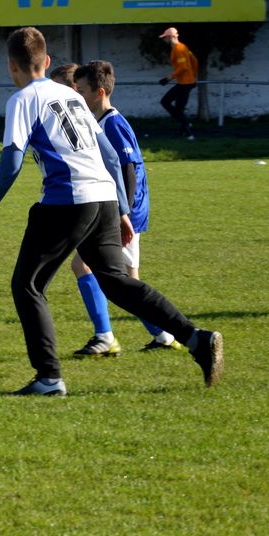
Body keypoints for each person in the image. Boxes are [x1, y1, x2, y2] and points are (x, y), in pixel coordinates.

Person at [0, 27, 222, 396]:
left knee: (28, 285)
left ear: (11, 66)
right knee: (117, 281)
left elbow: (10, 165)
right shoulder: (72, 97)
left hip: (68, 200)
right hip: (102, 197)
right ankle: (196, 338)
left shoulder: (22, 100)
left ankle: (49, 378)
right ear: (48, 61)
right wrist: (119, 210)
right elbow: (111, 156)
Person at [68, 60, 179, 356]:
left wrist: (123, 213)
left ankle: (110, 336)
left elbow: (128, 169)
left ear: (99, 92)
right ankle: (163, 334)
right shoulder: (101, 121)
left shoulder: (113, 123)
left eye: (81, 90)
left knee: (91, 268)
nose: (76, 95)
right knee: (126, 278)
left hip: (127, 212)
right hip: (120, 210)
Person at [157, 27, 199, 139]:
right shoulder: (183, 47)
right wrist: (194, 77)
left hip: (184, 84)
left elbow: (183, 67)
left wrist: (168, 78)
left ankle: (187, 128)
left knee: (165, 102)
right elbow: (194, 61)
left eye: (165, 37)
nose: (164, 39)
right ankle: (184, 127)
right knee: (179, 109)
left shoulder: (179, 49)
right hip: (187, 82)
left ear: (170, 37)